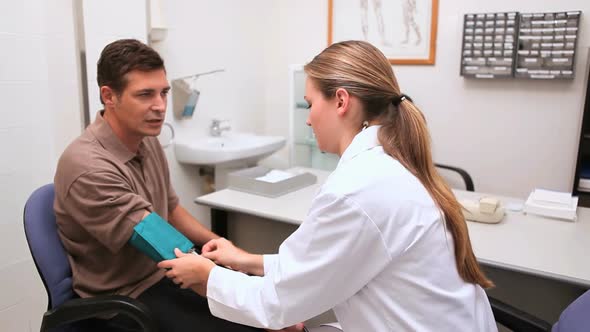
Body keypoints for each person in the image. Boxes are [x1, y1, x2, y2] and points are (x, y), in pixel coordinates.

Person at [158, 40, 499, 331]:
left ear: (340, 101)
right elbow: (321, 262)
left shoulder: (356, 190)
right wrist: (248, 260)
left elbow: (275, 302)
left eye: (310, 103)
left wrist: (207, 278)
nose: (307, 117)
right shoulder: (388, 163)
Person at [54, 39, 302, 332]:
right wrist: (254, 305)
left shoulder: (146, 140)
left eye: (164, 93)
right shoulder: (88, 166)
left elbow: (170, 210)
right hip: (126, 297)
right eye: (145, 95)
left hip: (165, 274)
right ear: (109, 96)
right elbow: (157, 239)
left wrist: (224, 248)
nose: (160, 107)